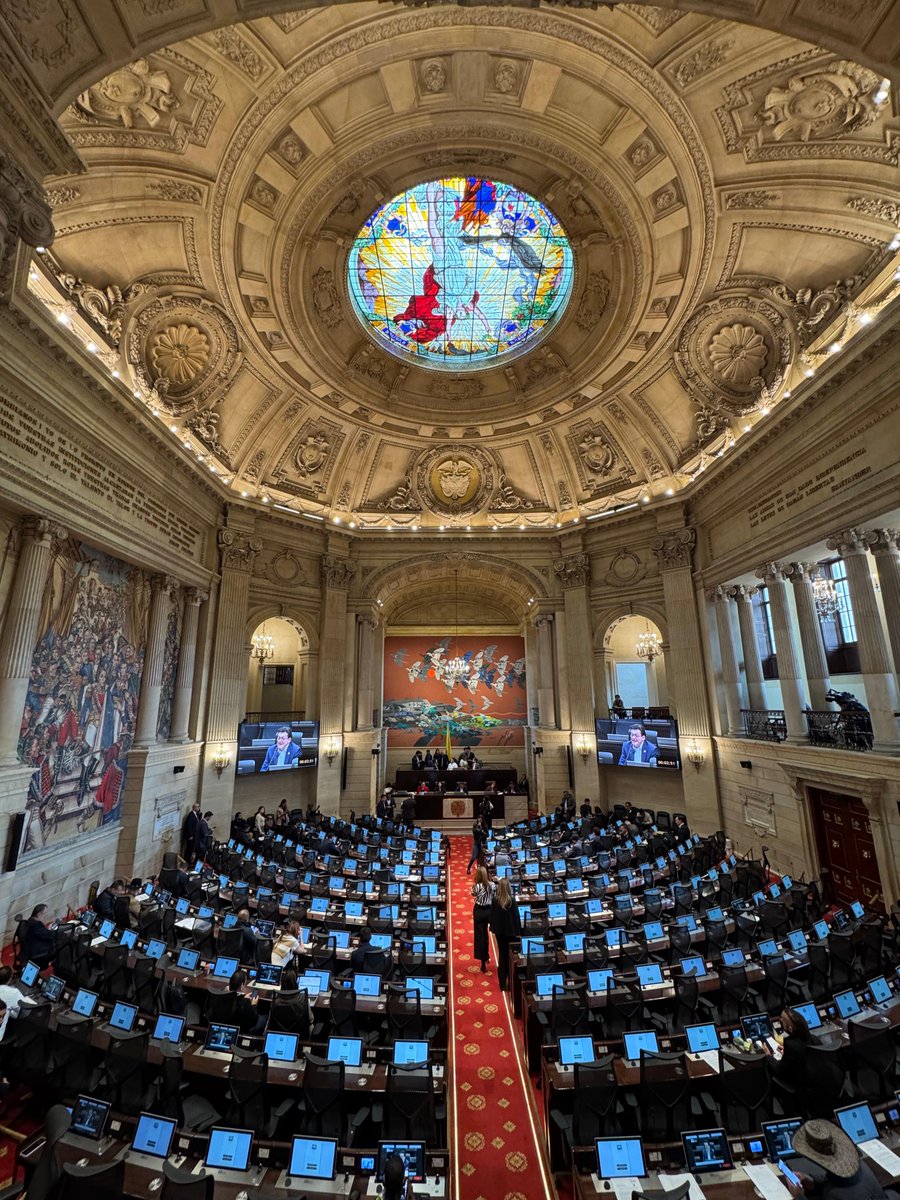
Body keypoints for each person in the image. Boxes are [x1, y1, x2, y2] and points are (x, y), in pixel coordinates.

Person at [786, 1118, 900, 1199]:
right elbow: (835, 1179)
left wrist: (799, 1196)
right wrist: (812, 1181)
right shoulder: (860, 1166)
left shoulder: (834, 1194)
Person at [767, 1007, 811, 1093]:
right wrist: (787, 1052)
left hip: (798, 1084)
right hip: (812, 1080)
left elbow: (778, 1070)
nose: (780, 1020)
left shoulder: (791, 1046)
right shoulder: (812, 1038)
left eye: (782, 1019)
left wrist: (768, 1055)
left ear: (790, 1028)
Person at [489, 877, 522, 992]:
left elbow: (492, 917)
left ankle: (502, 984)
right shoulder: (512, 901)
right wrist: (519, 933)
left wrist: (493, 929)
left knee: (502, 956)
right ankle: (511, 982)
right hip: (511, 933)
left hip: (500, 933)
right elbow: (517, 918)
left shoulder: (495, 900)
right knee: (511, 957)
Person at [269, 968, 313, 1039]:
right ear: (296, 983)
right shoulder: (304, 1000)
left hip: (279, 1033)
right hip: (299, 1034)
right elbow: (311, 1019)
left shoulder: (275, 1000)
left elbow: (271, 1019)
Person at [471, 866, 495, 973]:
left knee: (479, 936)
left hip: (479, 911)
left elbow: (473, 894)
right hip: (488, 912)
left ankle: (482, 963)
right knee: (485, 935)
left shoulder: (477, 886)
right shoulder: (492, 885)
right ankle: (486, 956)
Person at [21, 905, 55, 969]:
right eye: (45, 914)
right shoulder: (35, 925)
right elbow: (47, 936)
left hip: (31, 948)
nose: (46, 916)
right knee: (58, 944)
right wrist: (56, 932)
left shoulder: (30, 921)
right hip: (37, 953)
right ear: (38, 914)